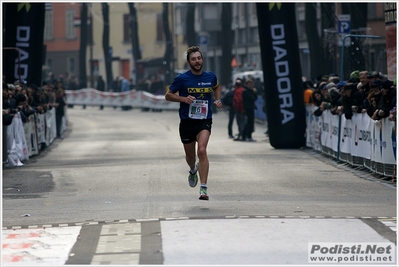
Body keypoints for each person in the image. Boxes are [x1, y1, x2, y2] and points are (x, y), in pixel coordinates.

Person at [165, 46, 223, 201]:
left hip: (204, 120)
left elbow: (216, 87)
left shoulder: (210, 77)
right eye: (193, 59)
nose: (197, 62)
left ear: (202, 59)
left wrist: (217, 99)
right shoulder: (182, 79)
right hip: (187, 121)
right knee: (190, 157)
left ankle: (203, 189)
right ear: (189, 62)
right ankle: (192, 169)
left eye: (199, 58)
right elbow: (168, 95)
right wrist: (183, 99)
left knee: (202, 151)